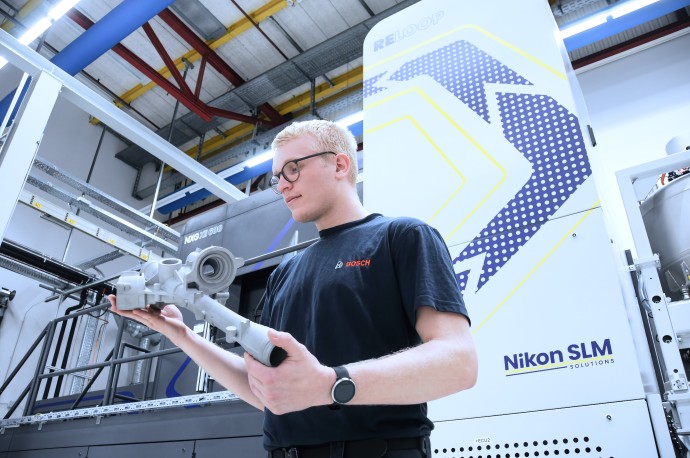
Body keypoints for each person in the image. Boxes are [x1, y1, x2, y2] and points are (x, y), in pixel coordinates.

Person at [109, 119, 478, 458]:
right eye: (277, 177)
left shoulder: (402, 237)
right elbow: (266, 392)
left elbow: (458, 363)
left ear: (339, 165)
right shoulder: (285, 272)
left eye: (293, 168)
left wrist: (330, 384)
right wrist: (181, 334)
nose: (283, 184)